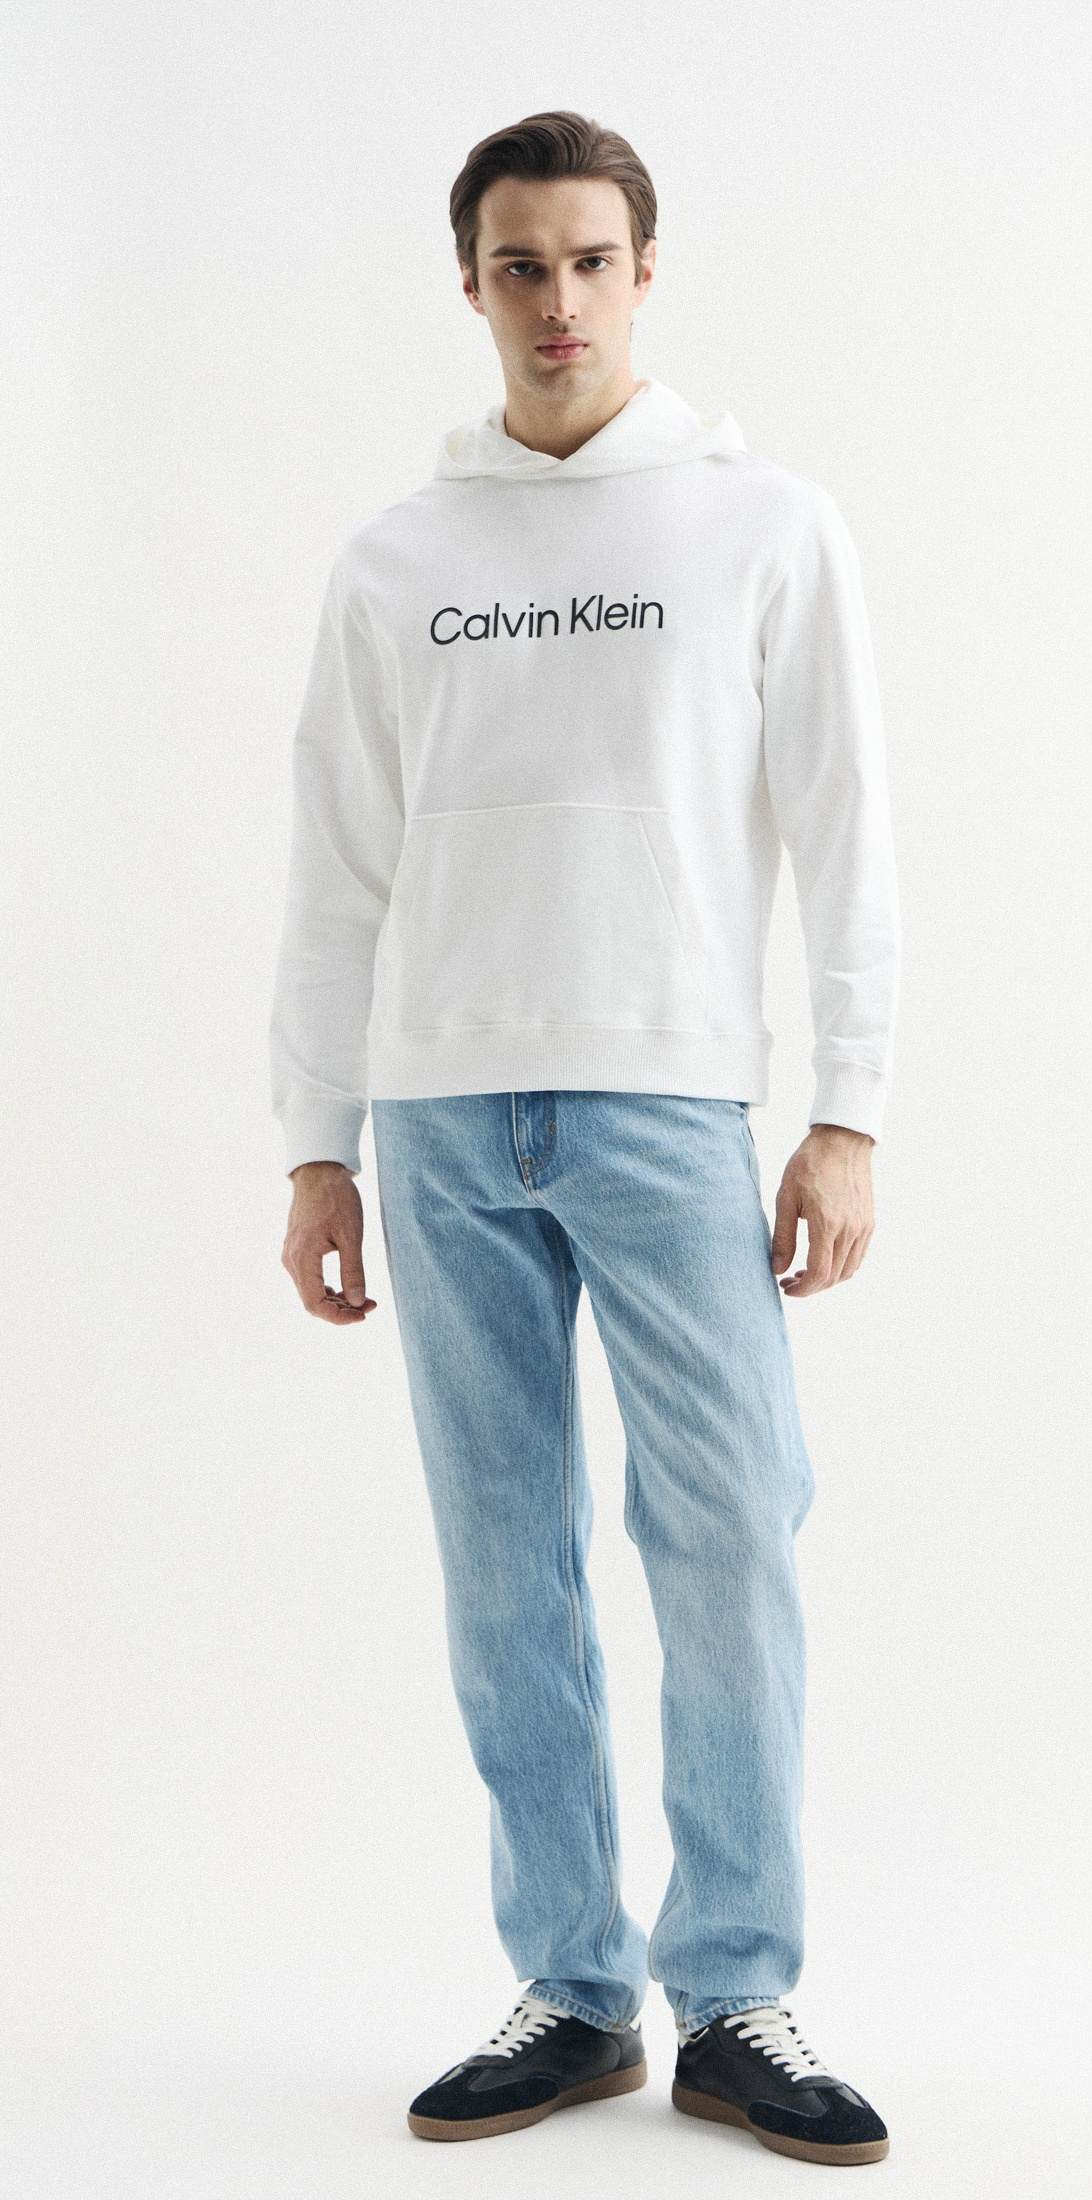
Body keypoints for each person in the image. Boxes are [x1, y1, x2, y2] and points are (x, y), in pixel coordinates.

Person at [268, 110, 900, 2169]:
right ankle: (570, 1982)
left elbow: (848, 827)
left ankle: (740, 1989)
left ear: (645, 271)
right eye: (521, 266)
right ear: (470, 283)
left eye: (592, 261)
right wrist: (318, 1140)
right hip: (442, 1115)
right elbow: (338, 863)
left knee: (726, 1540)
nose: (559, 302)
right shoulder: (400, 561)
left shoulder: (761, 526)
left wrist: (848, 1110)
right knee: (505, 1567)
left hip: (666, 1096)